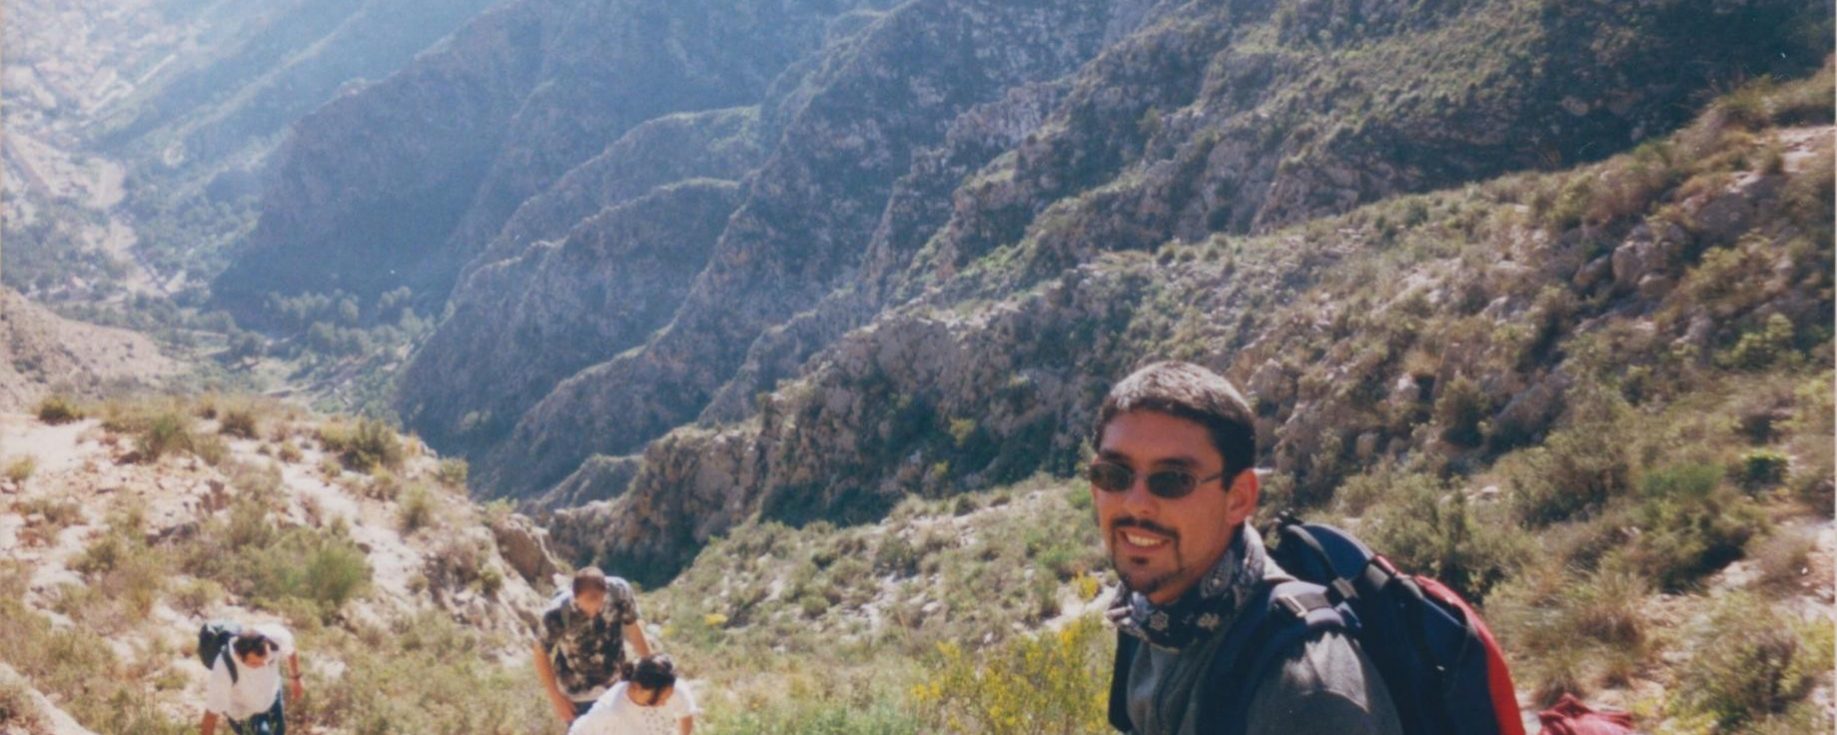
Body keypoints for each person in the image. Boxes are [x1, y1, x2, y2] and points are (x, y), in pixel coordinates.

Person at [1091, 361, 1402, 735]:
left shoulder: (1305, 687)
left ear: (1238, 498)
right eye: (1113, 475)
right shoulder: (1145, 613)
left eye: (1173, 480)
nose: (1134, 503)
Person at [535, 567, 654, 725]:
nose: (593, 612)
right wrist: (556, 698)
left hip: (616, 689)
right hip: (577, 695)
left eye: (598, 604)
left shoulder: (619, 594)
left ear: (605, 592)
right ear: (575, 596)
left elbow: (634, 630)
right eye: (586, 605)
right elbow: (540, 653)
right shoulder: (557, 613)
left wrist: (653, 673)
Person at [200, 626, 302, 735]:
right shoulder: (223, 670)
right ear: (239, 657)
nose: (264, 665)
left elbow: (290, 650)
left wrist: (296, 678)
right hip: (244, 713)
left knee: (279, 732)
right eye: (255, 664)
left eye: (268, 660)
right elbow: (211, 714)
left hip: (272, 696)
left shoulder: (276, 637)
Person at [568, 654, 697, 735]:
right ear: (637, 688)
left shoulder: (674, 688)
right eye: (659, 699)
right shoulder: (608, 711)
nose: (665, 702)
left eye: (667, 697)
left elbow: (685, 714)